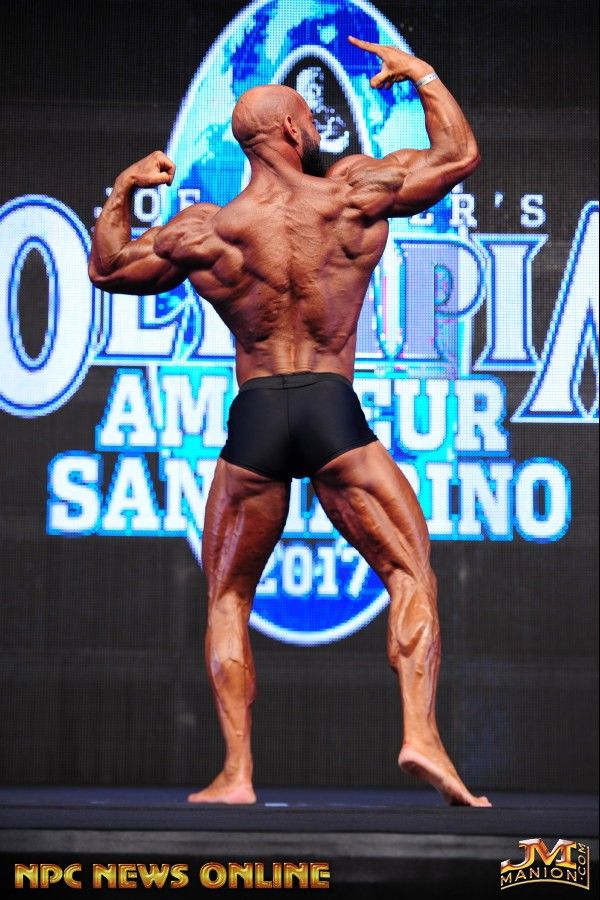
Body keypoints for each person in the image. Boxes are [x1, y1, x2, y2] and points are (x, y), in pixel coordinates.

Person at [89, 36, 490, 807]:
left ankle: (237, 774)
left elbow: (107, 268)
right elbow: (458, 155)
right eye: (308, 117)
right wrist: (422, 74)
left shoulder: (208, 230)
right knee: (409, 572)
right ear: (292, 131)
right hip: (330, 406)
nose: (315, 126)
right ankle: (420, 735)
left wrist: (126, 186)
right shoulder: (351, 195)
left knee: (228, 598)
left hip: (257, 416)